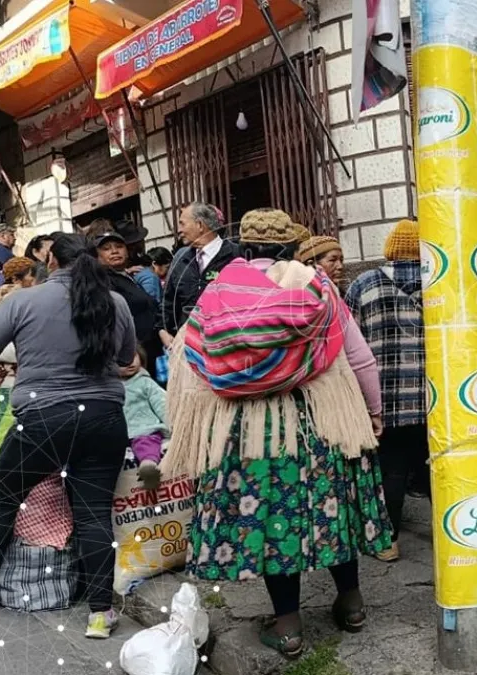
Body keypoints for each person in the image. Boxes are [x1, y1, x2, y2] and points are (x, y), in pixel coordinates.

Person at [160, 208, 387, 658]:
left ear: (245, 249)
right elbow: (360, 358)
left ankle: (288, 627)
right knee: (331, 511)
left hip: (250, 432)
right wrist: (373, 412)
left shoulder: (218, 292)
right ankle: (352, 604)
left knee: (271, 520)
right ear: (291, 248)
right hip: (320, 421)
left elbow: (188, 365)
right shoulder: (317, 289)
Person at [0, 233, 135, 639]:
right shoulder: (116, 302)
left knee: (3, 497)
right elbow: (126, 357)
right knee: (93, 512)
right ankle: (99, 613)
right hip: (105, 417)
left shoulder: (24, 301)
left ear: (49, 262)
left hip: (43, 418)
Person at [347, 220, 427, 563]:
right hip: (433, 399)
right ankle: (457, 538)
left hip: (383, 400)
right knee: (437, 469)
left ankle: (388, 541)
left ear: (390, 249)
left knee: (390, 469)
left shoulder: (363, 284)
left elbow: (347, 345)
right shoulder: (441, 283)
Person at [159, 203, 239, 346]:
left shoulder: (237, 256)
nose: (179, 230)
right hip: (188, 347)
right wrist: (163, 331)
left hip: (227, 346)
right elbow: (168, 301)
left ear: (200, 225)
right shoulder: (180, 258)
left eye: (183, 224)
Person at [97, 232, 162, 375]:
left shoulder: (126, 276)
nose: (114, 251)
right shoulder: (104, 281)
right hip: (132, 358)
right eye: (107, 249)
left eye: (119, 246)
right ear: (97, 256)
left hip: (148, 352)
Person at [120, 345, 167, 491]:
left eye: (132, 356)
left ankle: (149, 467)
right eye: (121, 360)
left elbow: (162, 404)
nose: (129, 362)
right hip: (121, 434)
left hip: (144, 429)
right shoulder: (111, 388)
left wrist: (173, 425)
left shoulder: (145, 382)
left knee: (146, 444)